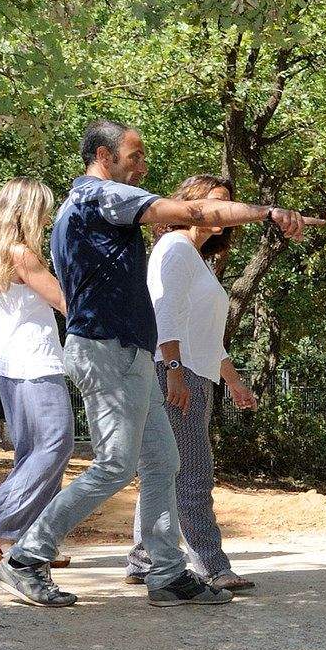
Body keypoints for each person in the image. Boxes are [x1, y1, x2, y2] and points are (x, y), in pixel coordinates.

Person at [0, 118, 321, 608]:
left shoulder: (96, 207)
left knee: (164, 462)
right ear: (103, 157)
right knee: (114, 464)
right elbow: (193, 208)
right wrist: (268, 213)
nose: (143, 166)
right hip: (107, 350)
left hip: (130, 353)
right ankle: (25, 558)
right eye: (135, 156)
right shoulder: (94, 196)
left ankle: (166, 574)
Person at [125, 174, 260, 593]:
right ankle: (212, 564)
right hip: (177, 373)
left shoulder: (197, 258)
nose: (223, 211)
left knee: (165, 471)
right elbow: (163, 314)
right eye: (214, 201)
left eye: (228, 204)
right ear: (190, 203)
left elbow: (207, 338)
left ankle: (144, 557)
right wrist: (175, 371)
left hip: (193, 373)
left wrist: (235, 383)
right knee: (193, 473)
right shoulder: (177, 248)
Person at [0, 179, 75, 561]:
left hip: (8, 365)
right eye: (43, 209)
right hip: (36, 362)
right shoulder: (23, 254)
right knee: (57, 444)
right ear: (26, 212)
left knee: (32, 453)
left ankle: (31, 540)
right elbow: (64, 301)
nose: (47, 217)